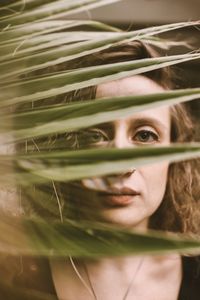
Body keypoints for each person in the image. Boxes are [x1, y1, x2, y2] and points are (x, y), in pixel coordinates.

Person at [0, 41, 199, 300]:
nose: (119, 165)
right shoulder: (13, 274)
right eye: (94, 135)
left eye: (146, 135)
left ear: (174, 156)